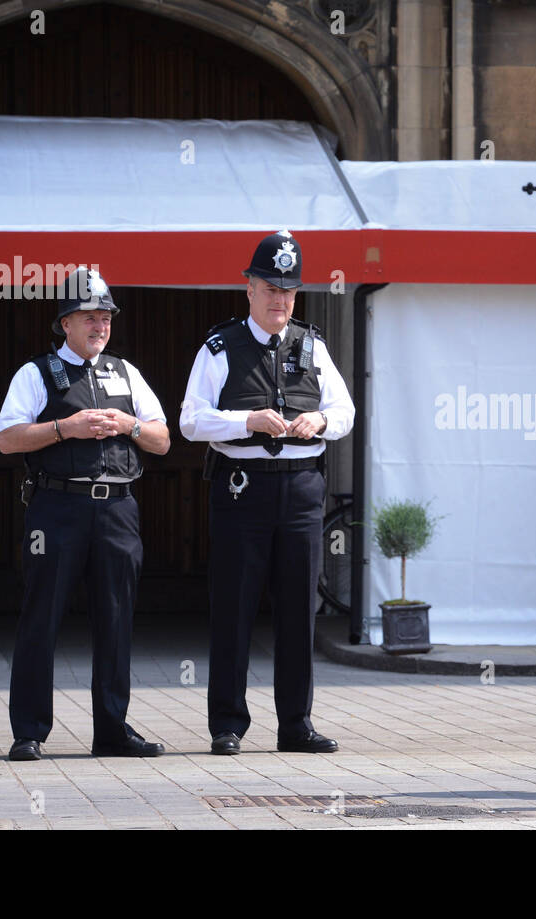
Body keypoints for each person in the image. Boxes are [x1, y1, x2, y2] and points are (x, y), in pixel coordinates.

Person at [180, 230, 355, 756]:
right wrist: (245, 421)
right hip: (243, 489)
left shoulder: (314, 344)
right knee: (233, 607)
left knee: (299, 611)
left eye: (289, 289)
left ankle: (295, 725)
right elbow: (190, 420)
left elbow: (345, 414)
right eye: (270, 287)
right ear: (249, 289)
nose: (280, 298)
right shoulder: (220, 346)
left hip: (302, 490)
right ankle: (227, 724)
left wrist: (318, 420)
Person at [0, 267, 171, 761]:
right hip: (58, 508)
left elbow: (162, 440)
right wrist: (64, 428)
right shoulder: (36, 374)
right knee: (41, 616)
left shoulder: (126, 372)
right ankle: (29, 730)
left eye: (106, 318)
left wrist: (131, 424)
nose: (100, 327)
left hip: (118, 508)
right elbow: (7, 438)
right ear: (66, 323)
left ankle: (112, 731)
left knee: (116, 620)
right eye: (90, 318)